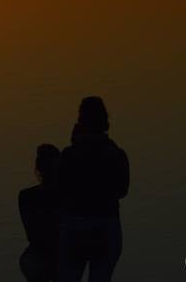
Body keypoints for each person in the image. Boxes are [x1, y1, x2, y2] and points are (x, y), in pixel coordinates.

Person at [58, 96, 129, 282]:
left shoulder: (69, 155)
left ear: (81, 121)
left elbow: (60, 188)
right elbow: (122, 190)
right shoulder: (117, 154)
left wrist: (74, 145)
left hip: (76, 225)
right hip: (107, 224)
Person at [19, 144, 62, 281]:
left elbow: (31, 234)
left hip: (36, 256)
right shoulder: (67, 195)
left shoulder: (25, 196)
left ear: (38, 169)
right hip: (59, 255)